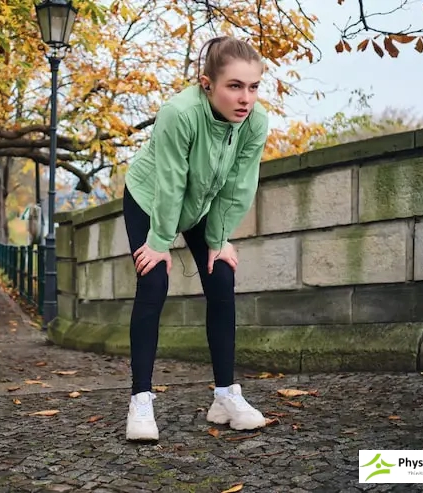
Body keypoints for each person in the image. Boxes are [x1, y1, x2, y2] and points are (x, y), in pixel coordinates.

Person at [122, 36, 269, 441]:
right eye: (234, 86)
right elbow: (171, 183)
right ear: (208, 84)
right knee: (153, 280)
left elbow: (239, 186)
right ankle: (140, 401)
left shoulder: (255, 123)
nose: (245, 98)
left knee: (221, 275)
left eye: (253, 87)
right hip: (151, 199)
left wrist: (219, 238)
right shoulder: (179, 113)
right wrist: (159, 242)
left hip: (201, 205)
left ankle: (224, 396)